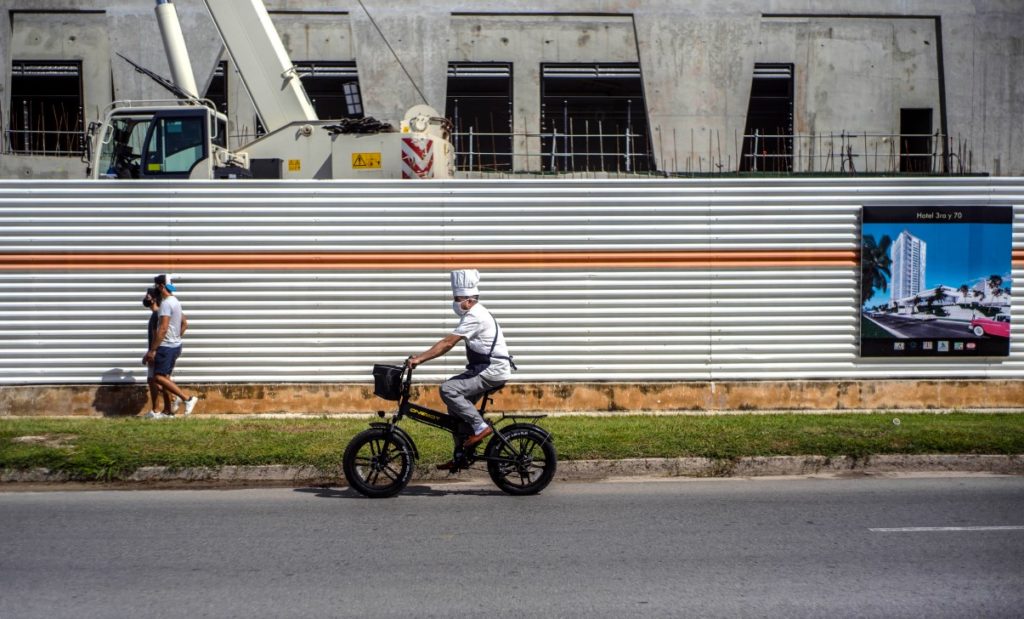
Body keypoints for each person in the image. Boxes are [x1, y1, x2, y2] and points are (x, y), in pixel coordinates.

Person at [409, 269, 516, 461]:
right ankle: (462, 454)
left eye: (457, 298)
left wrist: (419, 359)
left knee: (448, 389)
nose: (455, 303)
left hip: (491, 370)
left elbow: (448, 343)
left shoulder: (475, 315)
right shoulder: (474, 314)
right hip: (486, 368)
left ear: (469, 300)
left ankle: (481, 427)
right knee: (456, 412)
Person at [142, 274, 199, 417]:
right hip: (173, 346)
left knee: (159, 378)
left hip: (167, 347)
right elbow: (184, 323)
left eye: (156, 286)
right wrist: (176, 339)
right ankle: (168, 412)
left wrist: (152, 350)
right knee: (164, 378)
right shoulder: (175, 301)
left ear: (161, 286)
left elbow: (163, 329)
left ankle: (187, 399)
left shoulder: (166, 304)